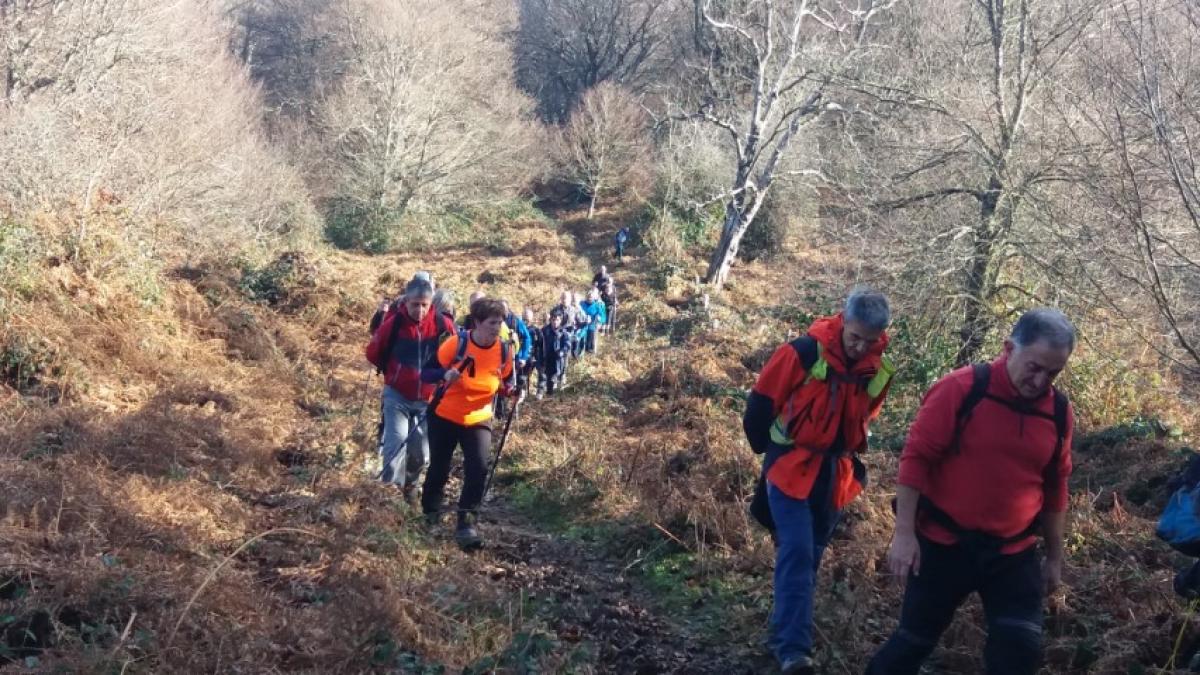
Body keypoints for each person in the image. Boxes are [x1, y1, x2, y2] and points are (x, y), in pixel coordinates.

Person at [867, 308, 1076, 675]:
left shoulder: (1058, 412)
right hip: (945, 544)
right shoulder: (962, 389)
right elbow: (916, 459)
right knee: (914, 641)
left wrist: (1055, 557)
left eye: (1053, 373)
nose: (1041, 380)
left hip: (1013, 554)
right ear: (1009, 348)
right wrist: (903, 535)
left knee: (1019, 652)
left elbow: (1056, 483)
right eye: (1034, 367)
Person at [742, 288, 896, 675]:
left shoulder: (878, 370)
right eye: (854, 337)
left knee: (809, 557)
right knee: (796, 548)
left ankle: (783, 634)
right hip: (789, 466)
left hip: (833, 474)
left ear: (881, 336)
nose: (860, 346)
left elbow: (867, 417)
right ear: (843, 322)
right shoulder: (801, 352)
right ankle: (794, 652)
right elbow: (761, 403)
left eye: (869, 340)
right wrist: (765, 451)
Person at [420, 297, 518, 550]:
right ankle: (430, 515)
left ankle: (467, 523)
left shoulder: (505, 351)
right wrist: (444, 374)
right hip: (444, 414)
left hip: (478, 417)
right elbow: (426, 372)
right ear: (477, 322)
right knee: (439, 467)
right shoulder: (456, 344)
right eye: (492, 323)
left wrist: (512, 392)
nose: (497, 328)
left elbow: (506, 383)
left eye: (500, 322)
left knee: (478, 469)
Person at [364, 277, 457, 504]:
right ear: (406, 302)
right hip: (397, 395)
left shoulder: (443, 325)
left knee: (420, 454)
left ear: (431, 303)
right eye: (415, 304)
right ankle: (390, 497)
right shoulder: (393, 324)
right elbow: (373, 352)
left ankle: (411, 487)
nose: (420, 310)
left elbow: (456, 354)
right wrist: (392, 373)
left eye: (425, 304)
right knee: (395, 445)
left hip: (429, 398)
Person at [539, 312, 571, 397]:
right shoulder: (545, 330)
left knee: (555, 376)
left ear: (560, 321)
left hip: (558, 359)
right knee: (547, 377)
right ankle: (547, 393)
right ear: (550, 320)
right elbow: (539, 343)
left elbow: (567, 344)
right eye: (553, 320)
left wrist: (562, 351)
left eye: (557, 320)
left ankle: (555, 392)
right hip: (547, 358)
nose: (555, 322)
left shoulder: (563, 332)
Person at [521, 307, 542, 396]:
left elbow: (540, 345)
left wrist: (537, 356)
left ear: (531, 319)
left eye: (528, 318)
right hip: (521, 356)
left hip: (532, 356)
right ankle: (522, 392)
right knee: (522, 375)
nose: (526, 320)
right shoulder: (519, 328)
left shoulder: (536, 330)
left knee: (539, 372)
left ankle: (537, 391)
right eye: (524, 318)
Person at [580, 288, 607, 354]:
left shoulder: (597, 305)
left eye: (591, 297)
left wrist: (600, 319)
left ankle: (591, 351)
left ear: (593, 297)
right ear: (586, 296)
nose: (589, 298)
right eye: (588, 297)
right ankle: (581, 350)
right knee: (582, 336)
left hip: (593, 324)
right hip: (583, 324)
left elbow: (603, 316)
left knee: (591, 335)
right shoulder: (582, 304)